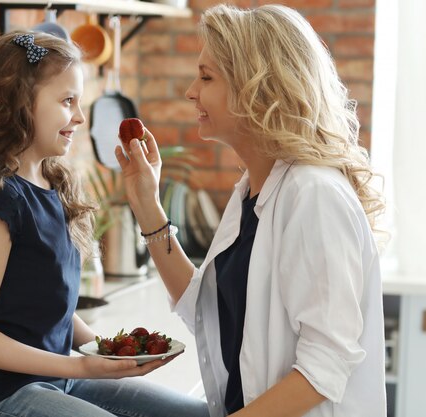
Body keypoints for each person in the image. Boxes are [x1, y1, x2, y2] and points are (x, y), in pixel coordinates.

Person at [115, 4, 387, 417]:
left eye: (207, 77)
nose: (191, 91)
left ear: (257, 89)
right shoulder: (254, 188)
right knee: (101, 395)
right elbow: (205, 311)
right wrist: (146, 204)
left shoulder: (313, 194)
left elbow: (324, 369)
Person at [0, 31, 210, 417]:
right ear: (18, 103)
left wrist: (106, 351)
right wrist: (78, 365)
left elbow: (45, 305)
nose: (80, 117)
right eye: (67, 101)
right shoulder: (2, 203)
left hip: (59, 381)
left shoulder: (53, 186)